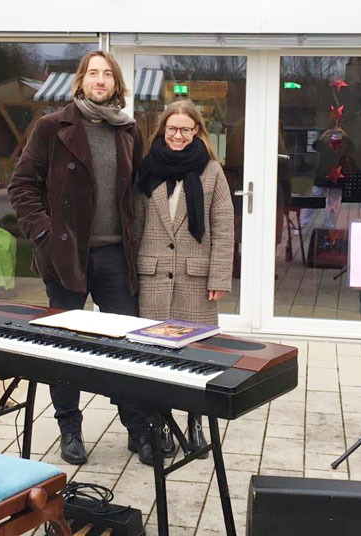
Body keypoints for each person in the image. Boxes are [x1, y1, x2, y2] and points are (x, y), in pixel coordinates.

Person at [9, 51, 153, 466]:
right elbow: (22, 186)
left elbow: (139, 188)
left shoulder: (128, 129)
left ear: (117, 84)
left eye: (107, 74)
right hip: (66, 255)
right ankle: (69, 428)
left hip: (115, 256)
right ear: (81, 81)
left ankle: (137, 427)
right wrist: (44, 233)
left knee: (128, 344)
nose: (100, 80)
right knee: (65, 344)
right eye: (93, 73)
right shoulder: (52, 127)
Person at [134, 100, 234, 458]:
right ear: (163, 130)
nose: (178, 135)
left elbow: (224, 227)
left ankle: (195, 424)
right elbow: (136, 224)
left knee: (196, 358)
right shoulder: (147, 168)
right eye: (172, 129)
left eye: (186, 129)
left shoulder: (212, 171)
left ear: (197, 132)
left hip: (196, 281)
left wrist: (219, 276)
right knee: (155, 359)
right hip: (153, 279)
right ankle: (161, 425)